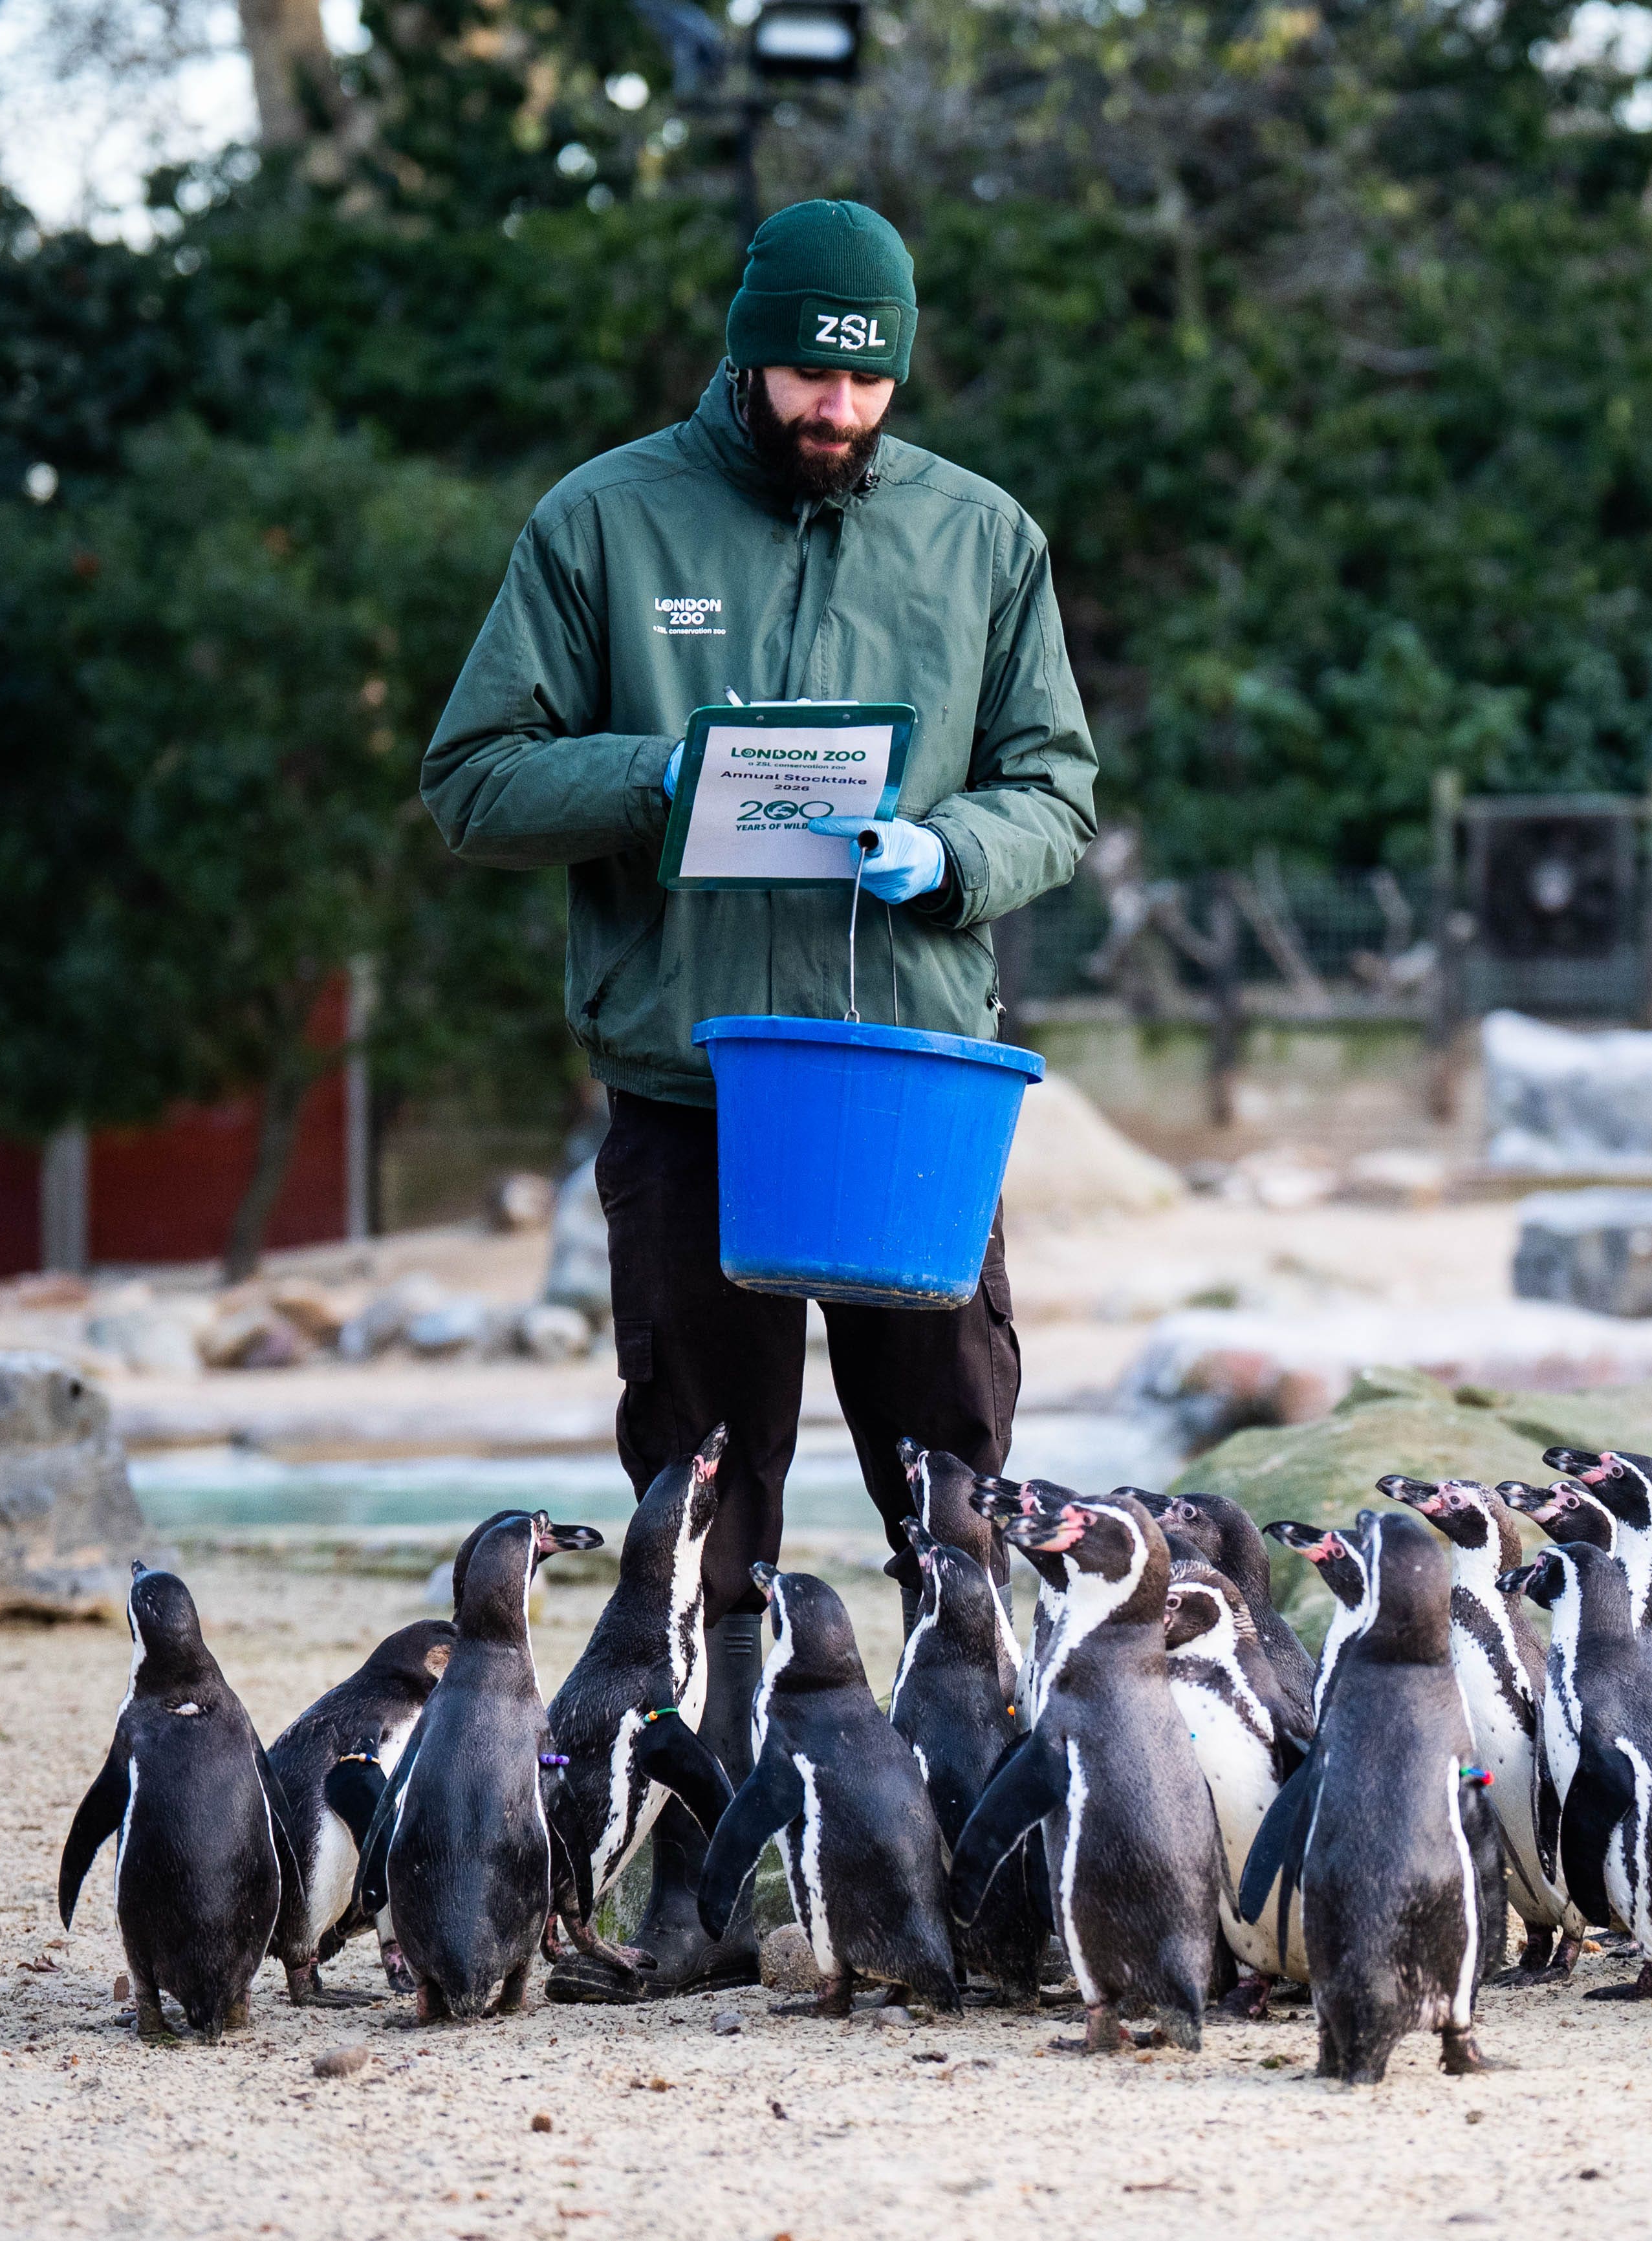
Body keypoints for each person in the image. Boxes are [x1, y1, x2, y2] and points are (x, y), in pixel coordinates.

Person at [422, 199, 1096, 2000]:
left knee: (952, 1473)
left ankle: (998, 1863)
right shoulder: (605, 520)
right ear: (748, 350)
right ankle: (705, 1873)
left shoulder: (982, 537)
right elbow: (472, 780)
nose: (839, 411)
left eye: (869, 381)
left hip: (907, 1086)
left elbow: (1058, 788)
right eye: (808, 371)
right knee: (706, 1491)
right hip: (689, 1080)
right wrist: (657, 778)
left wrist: (948, 847)